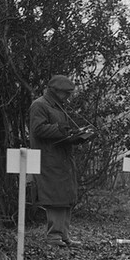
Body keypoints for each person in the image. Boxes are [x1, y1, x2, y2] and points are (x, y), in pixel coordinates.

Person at [28, 74, 87, 247]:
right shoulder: (39, 105)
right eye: (65, 93)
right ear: (55, 91)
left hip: (63, 158)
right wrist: (60, 129)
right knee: (55, 197)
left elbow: (62, 132)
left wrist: (75, 136)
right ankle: (53, 236)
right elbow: (38, 129)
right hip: (49, 158)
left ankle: (64, 235)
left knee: (67, 196)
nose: (67, 97)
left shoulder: (58, 106)